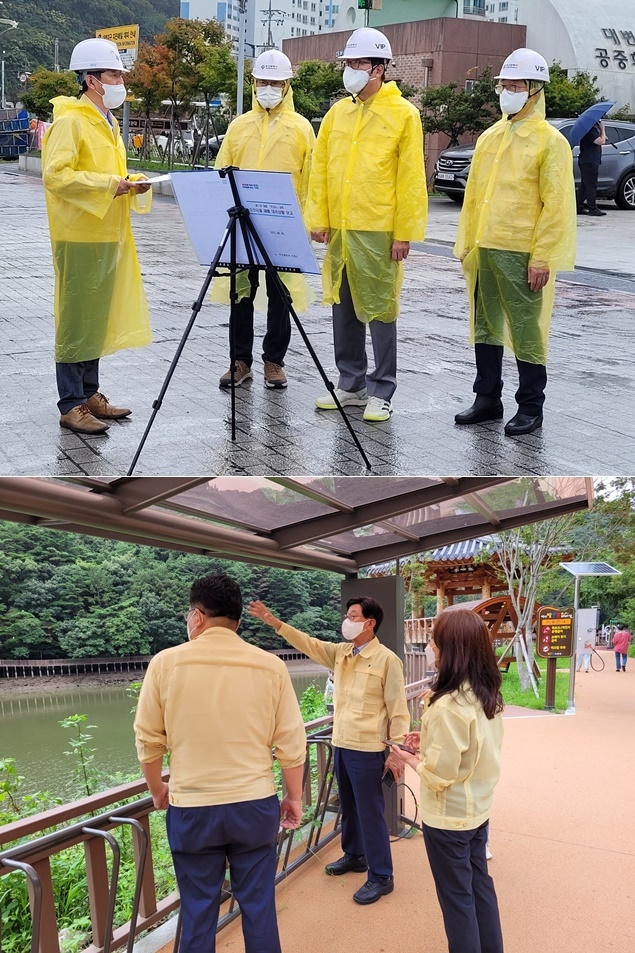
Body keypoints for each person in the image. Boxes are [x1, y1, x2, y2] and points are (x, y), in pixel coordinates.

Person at [134, 573, 306, 953]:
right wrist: (293, 797)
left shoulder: (165, 664)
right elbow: (292, 745)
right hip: (254, 806)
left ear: (196, 617)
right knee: (259, 908)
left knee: (198, 914)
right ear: (238, 622)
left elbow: (148, 741)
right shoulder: (271, 666)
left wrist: (158, 790)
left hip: (193, 809)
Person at [248, 595, 410, 905]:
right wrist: (274, 622)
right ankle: (355, 855)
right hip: (342, 744)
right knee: (349, 806)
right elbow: (308, 643)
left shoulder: (387, 660)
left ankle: (381, 876)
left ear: (370, 623)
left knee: (370, 813)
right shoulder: (341, 653)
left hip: (368, 748)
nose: (347, 621)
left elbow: (398, 709)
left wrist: (396, 750)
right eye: (347, 615)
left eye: (353, 616)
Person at [306, 27, 428, 422]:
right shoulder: (337, 113)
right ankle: (351, 384)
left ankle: (382, 389)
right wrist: (319, 218)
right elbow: (320, 170)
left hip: (378, 229)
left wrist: (404, 234)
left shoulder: (404, 114)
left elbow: (411, 179)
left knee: (379, 309)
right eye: (347, 63)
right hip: (341, 228)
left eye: (357, 62)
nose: (350, 69)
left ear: (378, 68)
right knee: (343, 309)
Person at [454, 48, 576, 437]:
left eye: (517, 85)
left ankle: (531, 406)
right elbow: (474, 196)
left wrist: (542, 257)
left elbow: (556, 205)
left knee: (526, 330)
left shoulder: (549, 141)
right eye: (505, 85)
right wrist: (467, 243)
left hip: (522, 251)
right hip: (486, 247)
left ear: (536, 90)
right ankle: (487, 397)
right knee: (485, 326)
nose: (509, 91)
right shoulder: (490, 137)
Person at [42, 38, 152, 435]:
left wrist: (130, 182)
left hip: (106, 233)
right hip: (78, 235)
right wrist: (109, 185)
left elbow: (107, 174)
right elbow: (56, 175)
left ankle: (89, 394)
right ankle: (70, 403)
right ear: (91, 80)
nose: (121, 81)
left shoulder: (106, 121)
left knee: (94, 320)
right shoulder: (71, 121)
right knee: (76, 318)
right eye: (114, 75)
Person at [389, 609, 505, 953]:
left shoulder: (446, 705)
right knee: (480, 886)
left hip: (448, 817)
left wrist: (409, 757)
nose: (430, 646)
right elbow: (470, 749)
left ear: (449, 648)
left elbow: (440, 775)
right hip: (477, 809)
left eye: (434, 640)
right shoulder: (487, 693)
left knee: (456, 899)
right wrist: (426, 739)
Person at [212, 50, 315, 390]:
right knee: (240, 293)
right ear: (253, 83)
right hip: (243, 222)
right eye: (263, 81)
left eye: (276, 82)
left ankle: (274, 361)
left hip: (284, 224)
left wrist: (309, 222)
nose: (268, 88)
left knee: (280, 295)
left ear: (287, 86)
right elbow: (221, 172)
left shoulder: (301, 128)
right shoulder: (239, 126)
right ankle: (240, 361)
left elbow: (312, 179)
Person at [577, 120, 607, 217]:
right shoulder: (590, 131)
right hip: (589, 161)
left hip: (587, 160)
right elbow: (601, 141)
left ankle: (578, 206)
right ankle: (592, 208)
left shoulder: (589, 130)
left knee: (584, 185)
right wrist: (603, 129)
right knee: (591, 185)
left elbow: (601, 140)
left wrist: (601, 134)